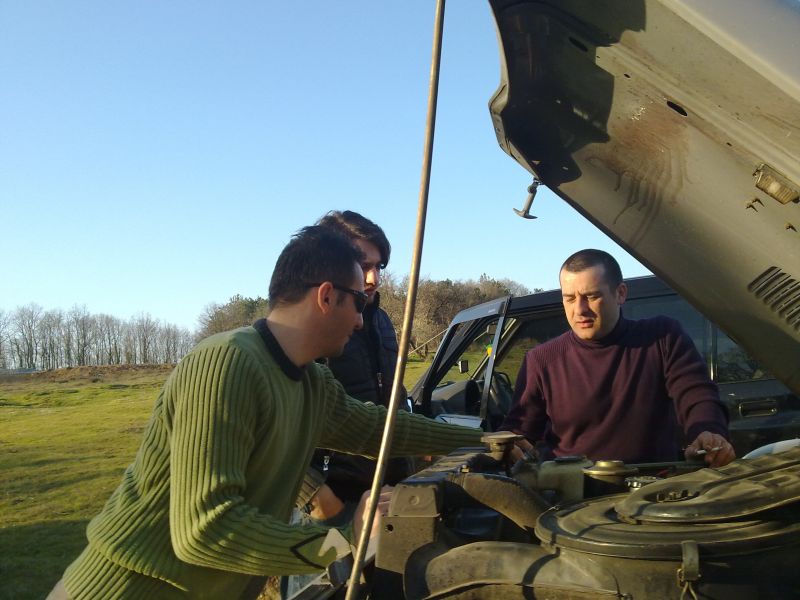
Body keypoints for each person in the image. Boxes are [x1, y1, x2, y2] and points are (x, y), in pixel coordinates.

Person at [48, 225, 483, 600]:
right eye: (358, 303)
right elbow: (205, 531)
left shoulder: (311, 380)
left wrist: (483, 442)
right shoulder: (226, 362)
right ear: (326, 296)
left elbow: (376, 429)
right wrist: (346, 540)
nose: (360, 321)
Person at [500, 249, 735, 468]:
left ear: (620, 293)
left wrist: (708, 431)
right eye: (570, 298)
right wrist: (504, 445)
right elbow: (520, 431)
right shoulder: (542, 360)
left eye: (591, 296)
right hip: (571, 491)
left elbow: (697, 395)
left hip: (653, 487)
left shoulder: (662, 338)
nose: (579, 309)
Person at [297, 210, 408, 525]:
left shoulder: (382, 321)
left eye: (378, 267)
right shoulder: (307, 328)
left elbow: (394, 399)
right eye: (363, 265)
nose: (374, 279)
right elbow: (279, 431)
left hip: (388, 496)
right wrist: (316, 499)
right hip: (336, 503)